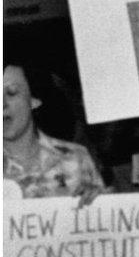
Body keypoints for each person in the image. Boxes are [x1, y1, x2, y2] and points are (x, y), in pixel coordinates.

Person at [3, 59, 106, 202]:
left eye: (11, 92)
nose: (2, 103)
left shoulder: (76, 157)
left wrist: (99, 200)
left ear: (34, 100)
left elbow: (103, 219)